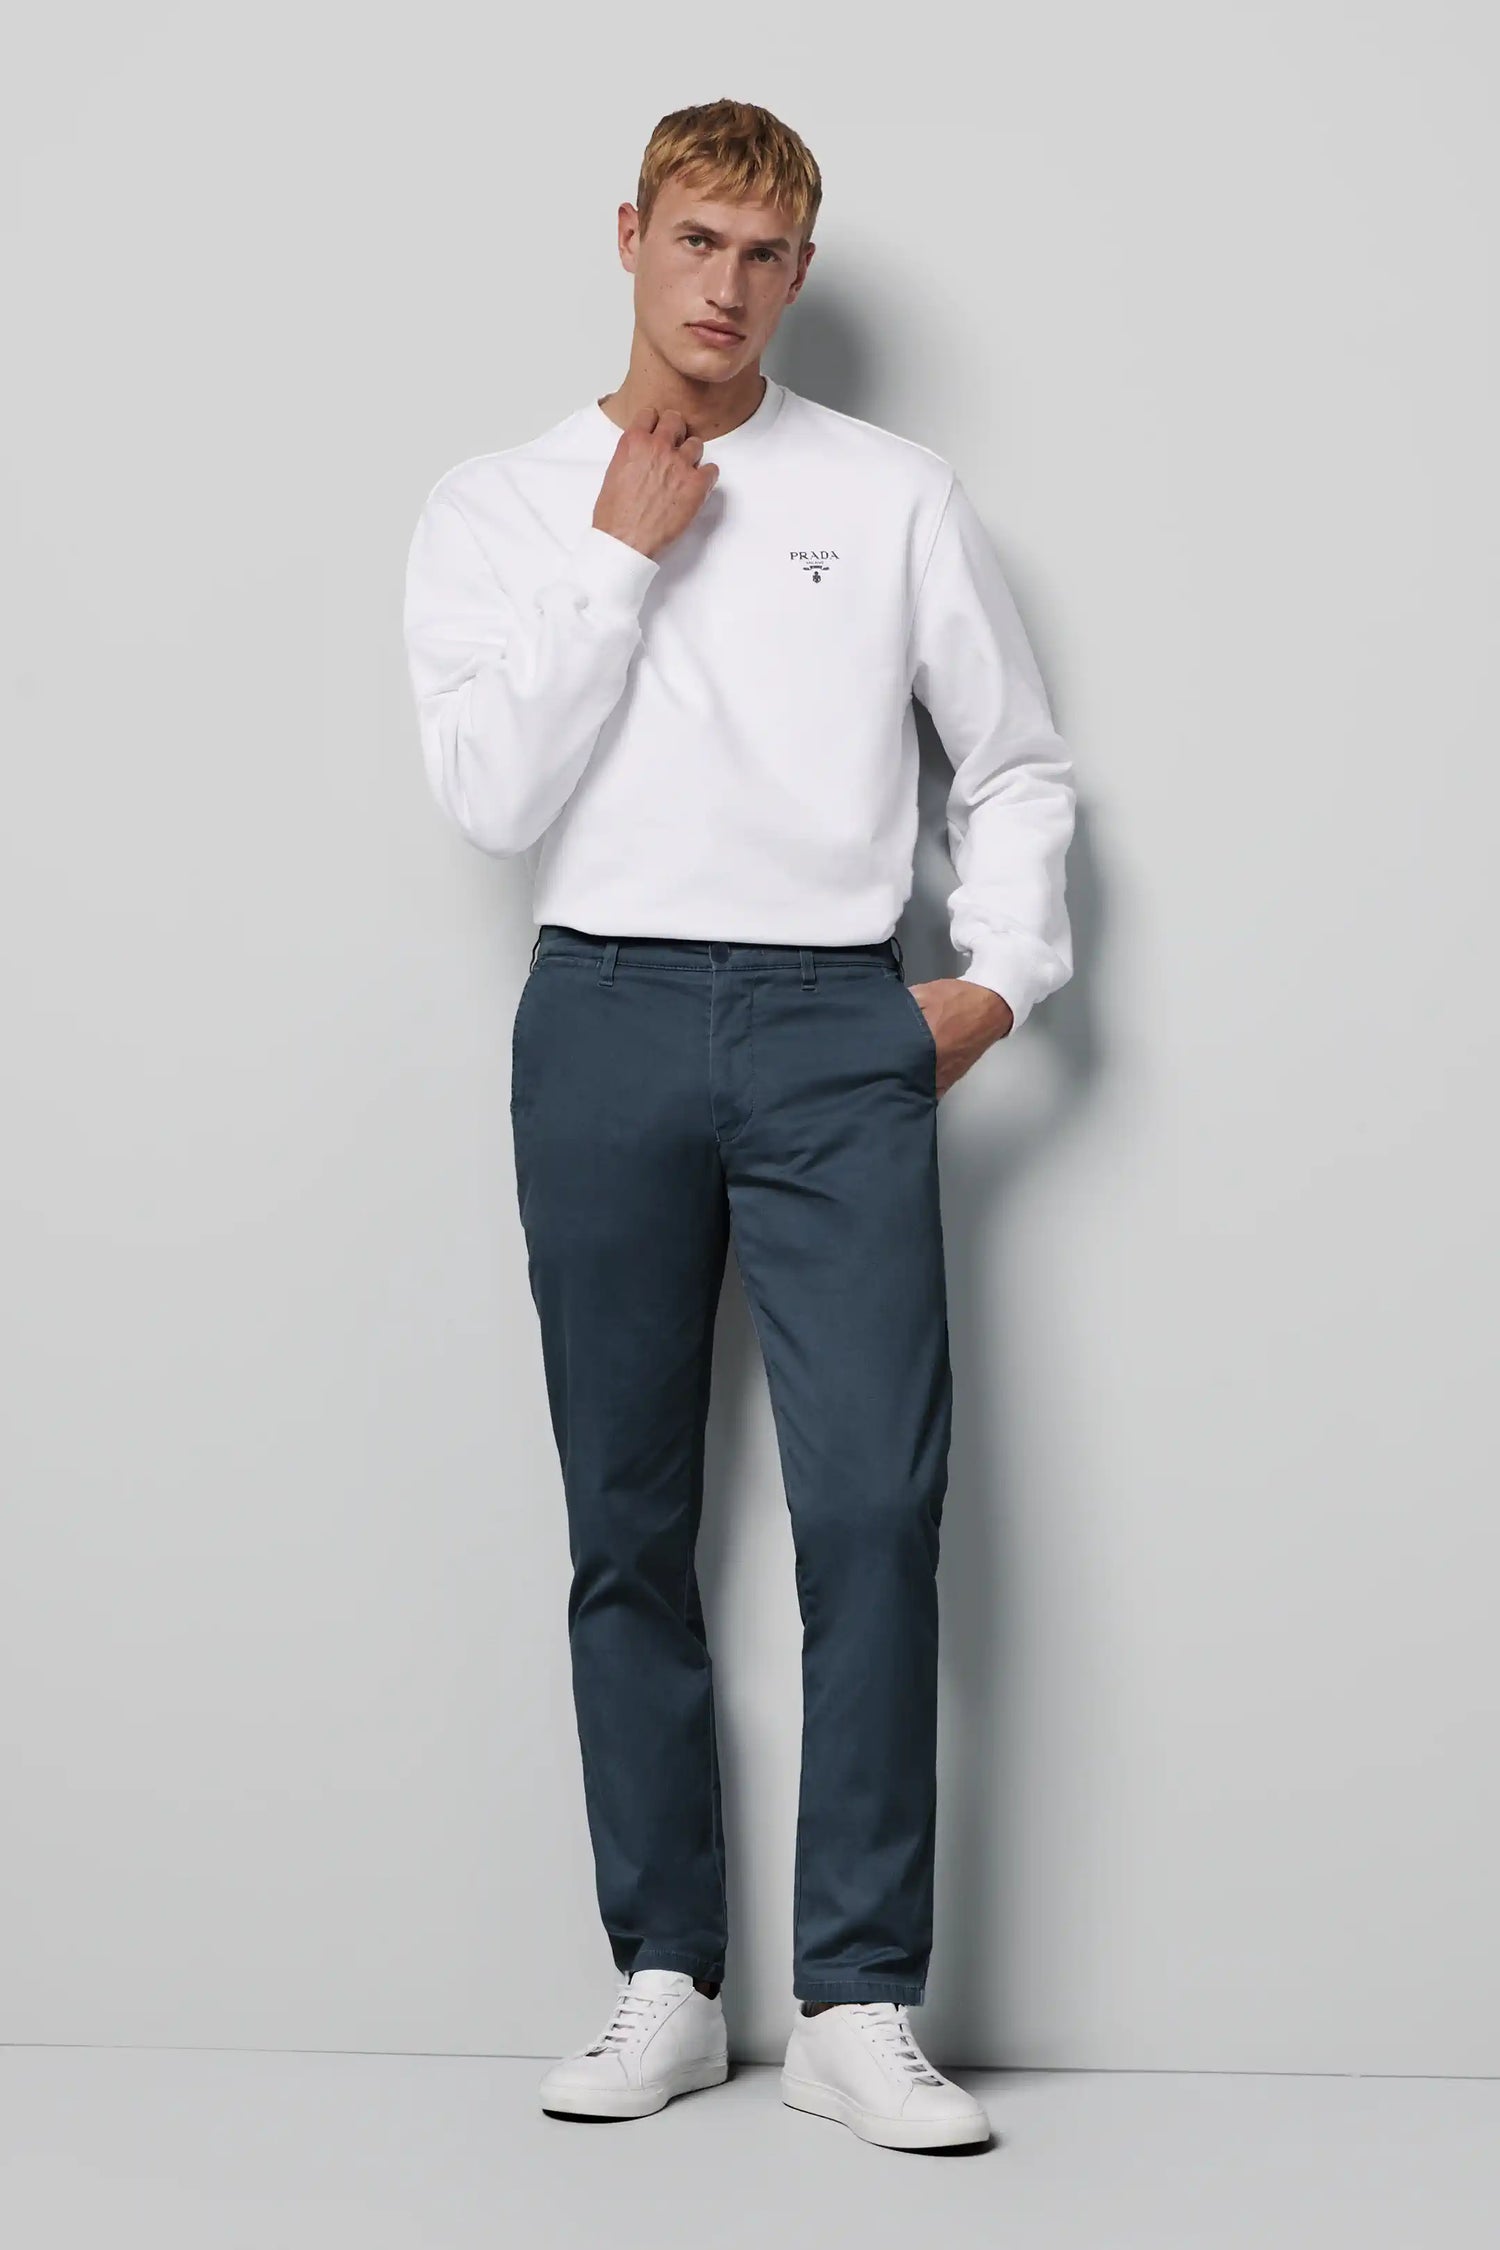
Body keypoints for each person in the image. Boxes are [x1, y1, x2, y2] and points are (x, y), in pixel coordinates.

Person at [402, 97, 1075, 2153]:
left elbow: (1015, 763)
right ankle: (670, 1982)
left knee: (872, 1506)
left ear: (801, 270)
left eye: (766, 253)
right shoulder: (501, 504)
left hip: (830, 1019)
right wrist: (620, 551)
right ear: (629, 235)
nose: (727, 284)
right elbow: (492, 798)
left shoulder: (889, 494)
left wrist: (996, 980)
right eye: (697, 239)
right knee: (628, 1519)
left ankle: (858, 1998)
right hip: (599, 1007)